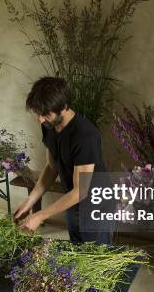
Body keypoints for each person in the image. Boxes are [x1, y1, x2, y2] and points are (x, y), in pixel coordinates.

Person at [13, 76, 113, 244]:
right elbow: (52, 167)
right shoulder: (49, 126)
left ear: (64, 107)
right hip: (72, 201)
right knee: (77, 252)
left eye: (45, 114)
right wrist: (29, 202)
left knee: (96, 259)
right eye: (39, 113)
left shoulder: (85, 135)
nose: (40, 119)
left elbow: (81, 191)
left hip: (96, 206)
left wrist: (41, 215)